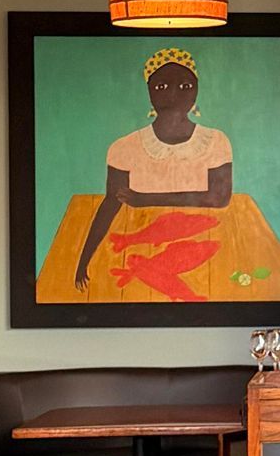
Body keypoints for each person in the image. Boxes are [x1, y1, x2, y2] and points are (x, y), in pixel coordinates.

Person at [72, 48, 232, 291]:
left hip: (207, 249)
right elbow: (111, 203)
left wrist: (144, 199)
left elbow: (219, 199)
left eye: (185, 86)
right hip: (140, 253)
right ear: (149, 92)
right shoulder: (124, 148)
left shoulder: (216, 142)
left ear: (197, 90)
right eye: (161, 87)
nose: (173, 95)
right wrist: (84, 260)